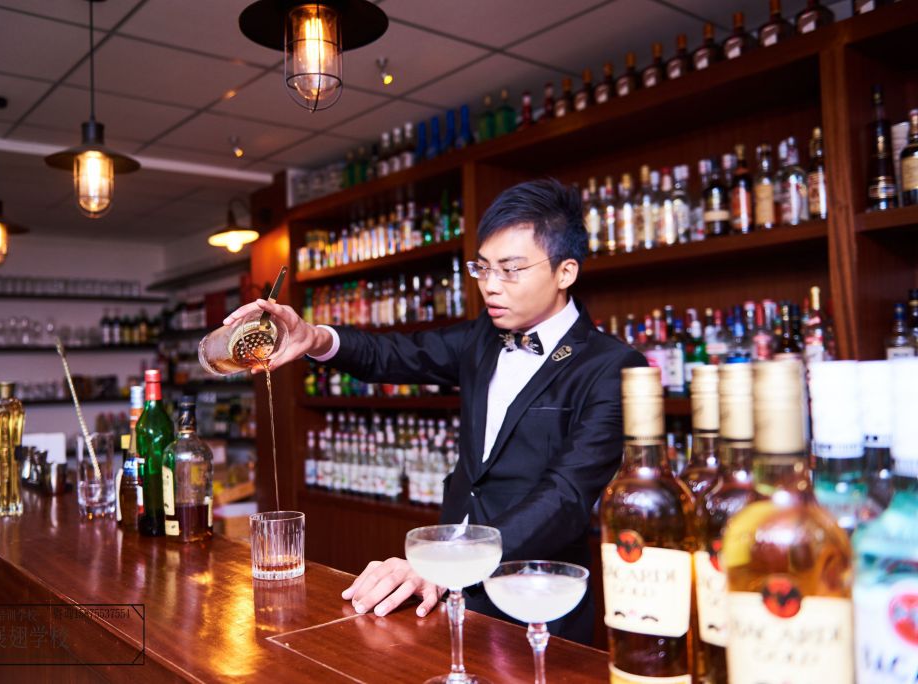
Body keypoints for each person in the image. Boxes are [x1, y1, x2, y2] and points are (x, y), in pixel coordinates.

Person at [225, 178, 646, 644]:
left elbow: (565, 496)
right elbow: (395, 354)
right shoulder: (483, 337)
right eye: (483, 268)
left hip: (535, 597)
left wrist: (452, 560)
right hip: (452, 594)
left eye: (510, 270)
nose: (490, 286)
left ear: (565, 272)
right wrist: (316, 338)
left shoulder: (611, 366)